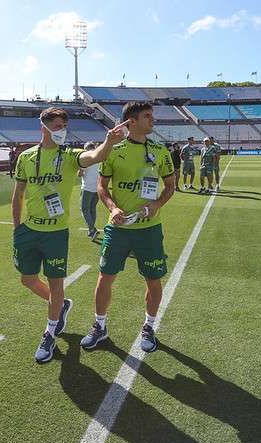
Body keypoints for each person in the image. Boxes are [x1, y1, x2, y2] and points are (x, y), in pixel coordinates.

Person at [12, 107, 130, 363]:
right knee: (28, 279)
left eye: (64, 126)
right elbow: (18, 193)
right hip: (29, 231)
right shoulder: (26, 157)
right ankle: (61, 305)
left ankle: (49, 334)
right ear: (42, 127)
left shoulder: (69, 155)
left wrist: (108, 142)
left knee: (56, 285)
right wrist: (16, 226)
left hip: (55, 234)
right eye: (56, 126)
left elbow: (94, 156)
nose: (61, 131)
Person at [79, 101, 176, 353]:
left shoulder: (160, 151)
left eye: (152, 116)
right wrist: (113, 208)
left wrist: (156, 205)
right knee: (104, 278)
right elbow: (101, 187)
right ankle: (99, 327)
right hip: (118, 228)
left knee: (153, 280)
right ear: (131, 122)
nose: (152, 120)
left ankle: (149, 327)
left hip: (149, 229)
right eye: (147, 116)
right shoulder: (113, 150)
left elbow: (170, 186)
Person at [78, 142, 100, 241]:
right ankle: (91, 231)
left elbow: (80, 174)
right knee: (92, 209)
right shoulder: (99, 157)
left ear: (86, 149)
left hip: (87, 188)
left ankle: (92, 229)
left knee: (84, 209)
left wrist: (79, 169)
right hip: (97, 188)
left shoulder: (86, 158)